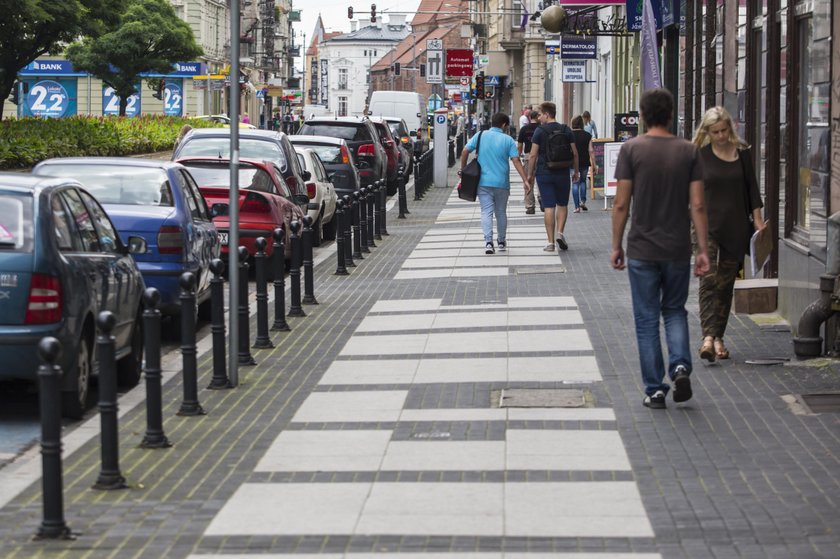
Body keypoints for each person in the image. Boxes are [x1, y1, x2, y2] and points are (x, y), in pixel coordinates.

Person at [611, 88, 710, 409]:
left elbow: (622, 203)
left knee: (646, 318)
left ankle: (655, 389)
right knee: (674, 311)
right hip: (678, 248)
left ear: (642, 116)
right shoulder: (688, 151)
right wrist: (703, 250)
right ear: (670, 115)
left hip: (642, 248)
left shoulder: (632, 149)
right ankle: (680, 365)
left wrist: (616, 245)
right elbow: (698, 205)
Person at [692, 106, 765, 362]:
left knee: (725, 284)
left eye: (724, 131)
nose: (721, 136)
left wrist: (757, 222)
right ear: (708, 131)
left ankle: (717, 336)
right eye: (715, 132)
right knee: (708, 280)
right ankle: (708, 338)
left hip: (735, 226)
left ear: (730, 129)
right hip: (706, 226)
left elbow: (752, 189)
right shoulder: (700, 155)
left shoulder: (742, 153)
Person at [459, 112, 531, 254]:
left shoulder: (480, 135)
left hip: (482, 182)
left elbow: (465, 151)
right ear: (504, 125)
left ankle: (488, 242)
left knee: (486, 211)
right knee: (501, 212)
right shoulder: (508, 140)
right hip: (501, 182)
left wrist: (463, 170)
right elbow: (516, 160)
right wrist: (525, 180)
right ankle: (502, 241)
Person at [527, 102, 578, 252]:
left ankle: (550, 243)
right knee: (562, 204)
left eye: (540, 114)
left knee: (549, 206)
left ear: (547, 114)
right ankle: (560, 233)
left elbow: (533, 155)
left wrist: (530, 174)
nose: (539, 117)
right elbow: (575, 153)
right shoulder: (566, 129)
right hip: (562, 172)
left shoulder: (539, 131)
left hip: (544, 173)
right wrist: (575, 171)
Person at [570, 115, 597, 213]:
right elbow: (591, 150)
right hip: (585, 162)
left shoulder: (569, 135)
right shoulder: (587, 135)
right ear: (581, 123)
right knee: (583, 181)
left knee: (575, 183)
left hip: (573, 163)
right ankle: (583, 201)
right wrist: (594, 164)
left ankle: (577, 207)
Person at [517, 110, 539, 215]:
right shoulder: (542, 129)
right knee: (541, 179)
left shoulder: (524, 129)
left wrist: (518, 156)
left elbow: (520, 145)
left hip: (528, 156)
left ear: (529, 118)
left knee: (528, 181)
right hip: (541, 156)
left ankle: (530, 206)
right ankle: (542, 199)